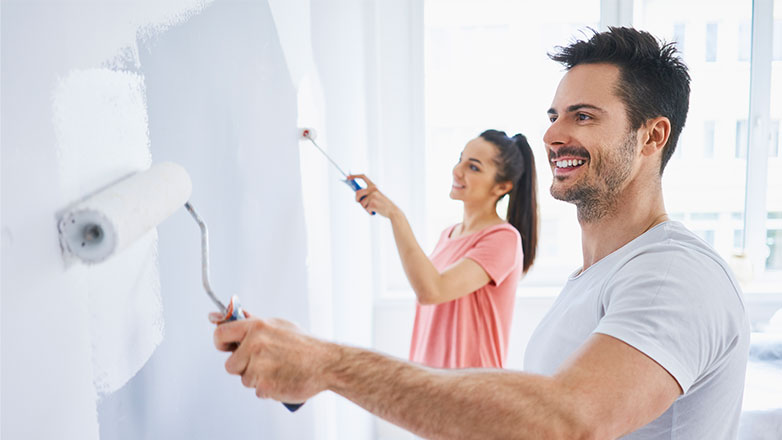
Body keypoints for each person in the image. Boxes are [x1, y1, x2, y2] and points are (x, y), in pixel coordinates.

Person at [213, 27, 749, 439]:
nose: (553, 133)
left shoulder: (673, 274)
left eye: (583, 116)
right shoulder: (593, 279)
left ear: (652, 136)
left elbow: (566, 421)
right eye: (555, 114)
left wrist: (328, 364)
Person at [344, 129, 538, 369]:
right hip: (431, 382)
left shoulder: (503, 239)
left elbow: (432, 290)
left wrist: (396, 216)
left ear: (501, 187)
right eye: (460, 160)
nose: (457, 171)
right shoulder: (448, 235)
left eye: (473, 167)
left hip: (470, 390)